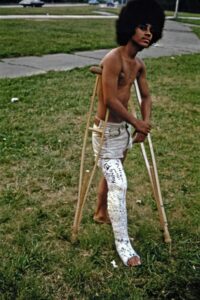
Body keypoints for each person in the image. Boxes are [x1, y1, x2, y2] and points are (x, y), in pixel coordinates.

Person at [92, 0, 165, 267]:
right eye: (142, 27)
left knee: (111, 175)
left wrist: (144, 123)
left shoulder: (138, 65)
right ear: (128, 28)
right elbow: (110, 99)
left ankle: (101, 212)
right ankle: (124, 245)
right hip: (105, 134)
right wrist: (137, 122)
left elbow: (146, 96)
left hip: (122, 132)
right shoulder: (113, 59)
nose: (148, 32)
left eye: (152, 29)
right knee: (119, 183)